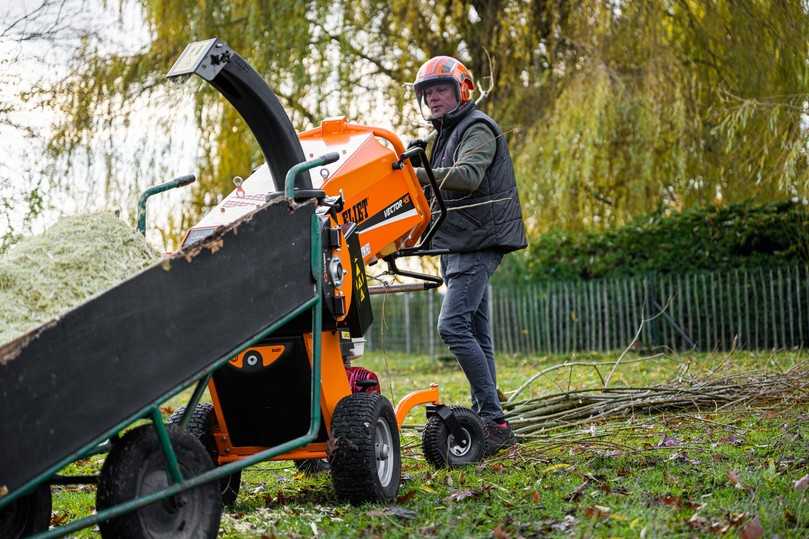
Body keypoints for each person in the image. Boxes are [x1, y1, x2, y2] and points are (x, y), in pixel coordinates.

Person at [410, 56, 527, 456]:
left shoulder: (476, 127)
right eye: (427, 92)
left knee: (453, 325)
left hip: (478, 242)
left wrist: (418, 174)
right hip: (458, 243)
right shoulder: (444, 135)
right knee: (477, 333)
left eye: (441, 89)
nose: (433, 98)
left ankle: (492, 420)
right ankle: (490, 414)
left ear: (461, 90)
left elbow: (468, 176)